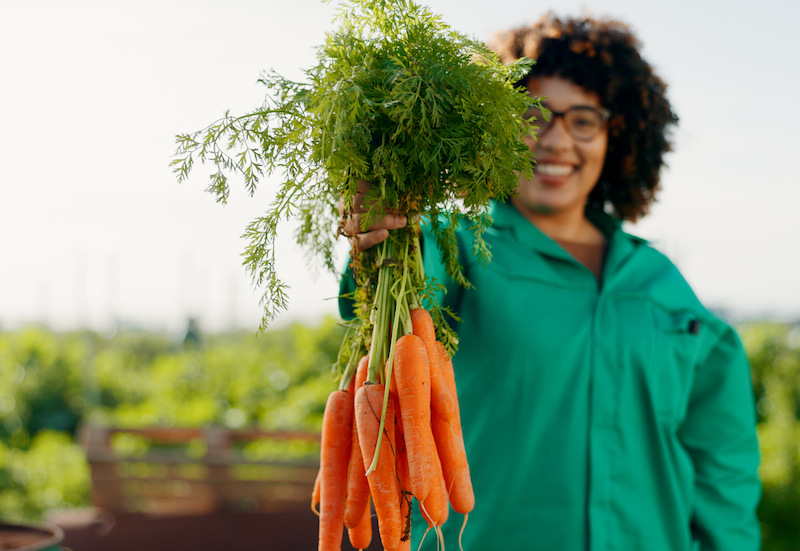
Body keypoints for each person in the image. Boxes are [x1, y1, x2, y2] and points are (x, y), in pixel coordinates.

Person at [339, 13, 761, 550]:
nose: (556, 140)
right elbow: (378, 311)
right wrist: (379, 237)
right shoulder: (453, 246)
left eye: (583, 119)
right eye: (531, 115)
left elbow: (723, 475)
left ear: (618, 136)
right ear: (490, 131)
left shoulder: (663, 285)